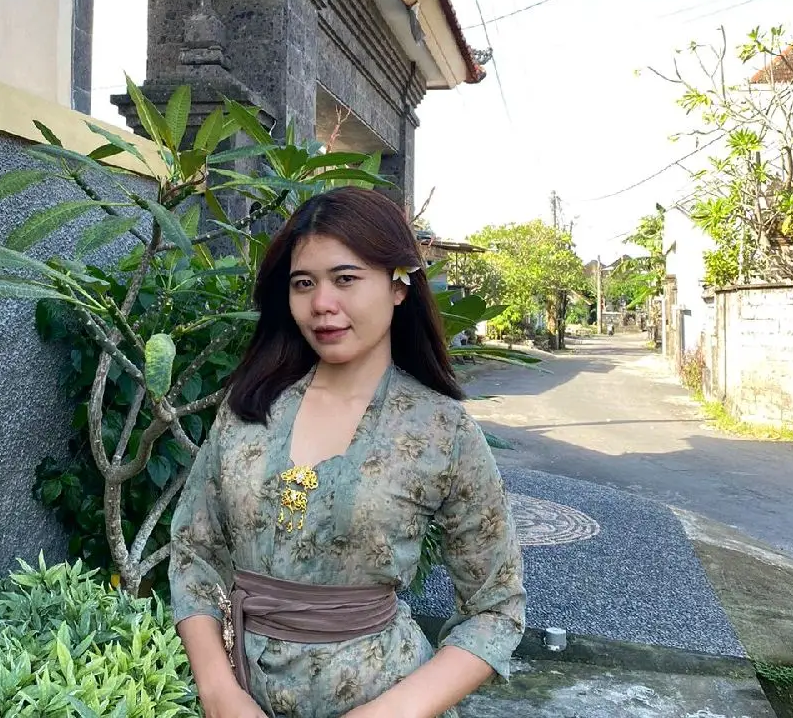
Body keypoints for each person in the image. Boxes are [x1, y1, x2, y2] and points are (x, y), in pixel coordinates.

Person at [168, 187, 525, 718]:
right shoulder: (250, 407)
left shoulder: (441, 430)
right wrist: (220, 693)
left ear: (399, 285)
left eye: (345, 279)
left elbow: (495, 609)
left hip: (383, 695)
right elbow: (193, 555)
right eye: (303, 283)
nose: (321, 304)